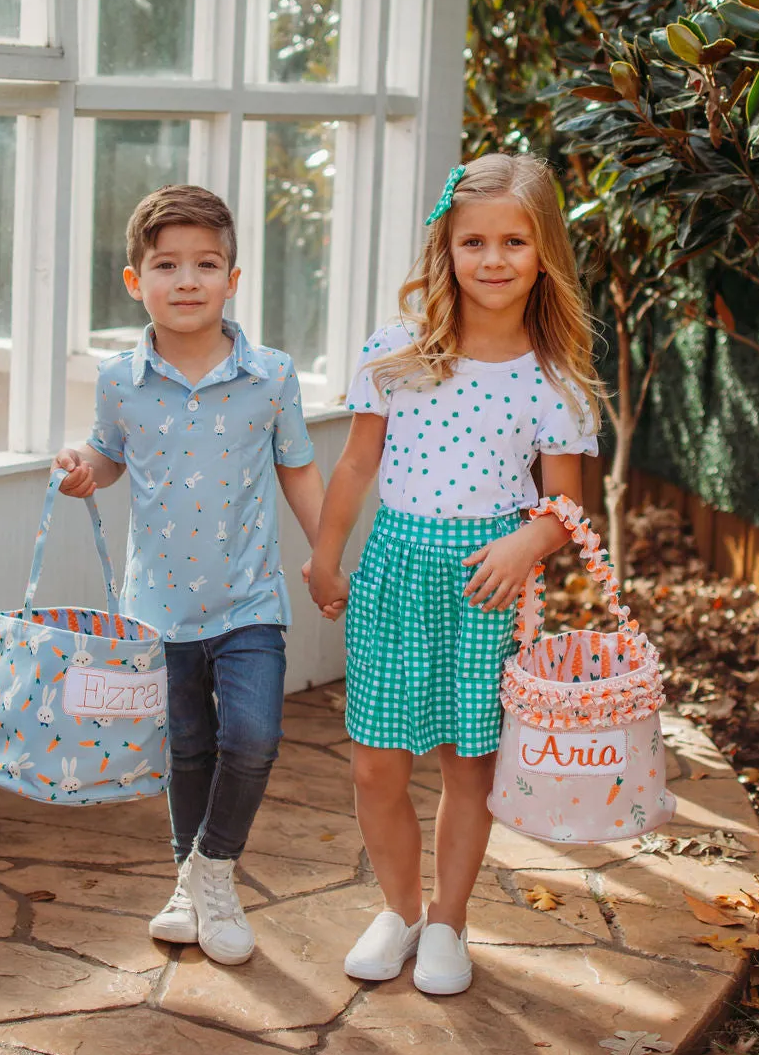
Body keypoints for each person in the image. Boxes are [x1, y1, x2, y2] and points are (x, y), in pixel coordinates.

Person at [308, 154, 601, 995]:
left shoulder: (555, 377)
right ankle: (399, 912)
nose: (494, 259)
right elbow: (357, 466)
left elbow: (564, 509)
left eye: (515, 240)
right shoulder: (396, 351)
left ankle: (449, 923)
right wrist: (326, 558)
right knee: (376, 764)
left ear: (544, 251)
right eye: (474, 241)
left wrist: (525, 544)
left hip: (486, 589)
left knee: (467, 765)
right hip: (394, 573)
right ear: (447, 247)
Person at [53, 183, 327, 966]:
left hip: (249, 602)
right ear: (136, 280)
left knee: (254, 737)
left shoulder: (271, 376)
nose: (187, 280)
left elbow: (300, 472)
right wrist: (82, 465)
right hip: (158, 611)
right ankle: (189, 884)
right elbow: (107, 458)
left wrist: (329, 557)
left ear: (233, 279)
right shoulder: (119, 379)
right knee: (188, 750)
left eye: (206, 264)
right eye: (166, 265)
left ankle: (212, 867)